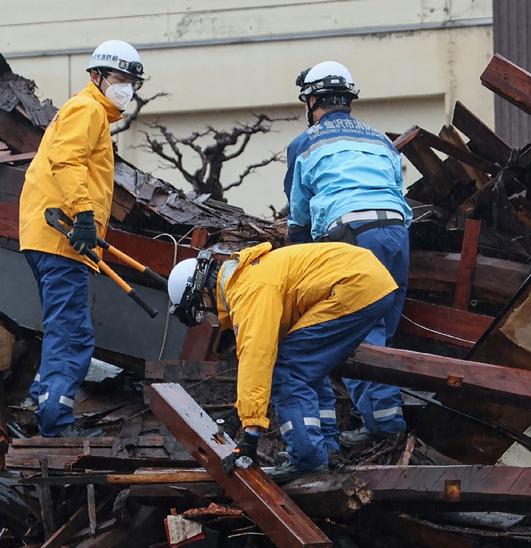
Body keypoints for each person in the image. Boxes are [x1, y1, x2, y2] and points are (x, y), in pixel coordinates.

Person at [167, 241, 399, 477]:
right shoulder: (249, 277)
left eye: (200, 309)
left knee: (287, 370)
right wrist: (240, 413)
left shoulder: (248, 291)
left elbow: (257, 358)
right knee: (307, 366)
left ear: (203, 290)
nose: (207, 315)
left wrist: (250, 435)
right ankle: (326, 448)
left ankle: (307, 456)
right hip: (367, 279)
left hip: (354, 285)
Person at [19, 40, 145, 437]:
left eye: (132, 81)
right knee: (72, 332)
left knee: (61, 327)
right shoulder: (87, 109)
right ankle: (56, 420)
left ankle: (43, 400)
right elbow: (68, 161)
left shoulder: (86, 112)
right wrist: (86, 217)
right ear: (96, 76)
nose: (126, 87)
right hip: (62, 238)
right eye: (120, 77)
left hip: (50, 236)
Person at [284, 60, 412, 450]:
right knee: (385, 329)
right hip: (396, 232)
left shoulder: (305, 143)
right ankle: (388, 418)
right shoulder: (380, 140)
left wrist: (295, 262)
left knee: (356, 334)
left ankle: (382, 427)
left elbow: (299, 215)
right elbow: (397, 189)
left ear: (311, 100)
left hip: (350, 236)